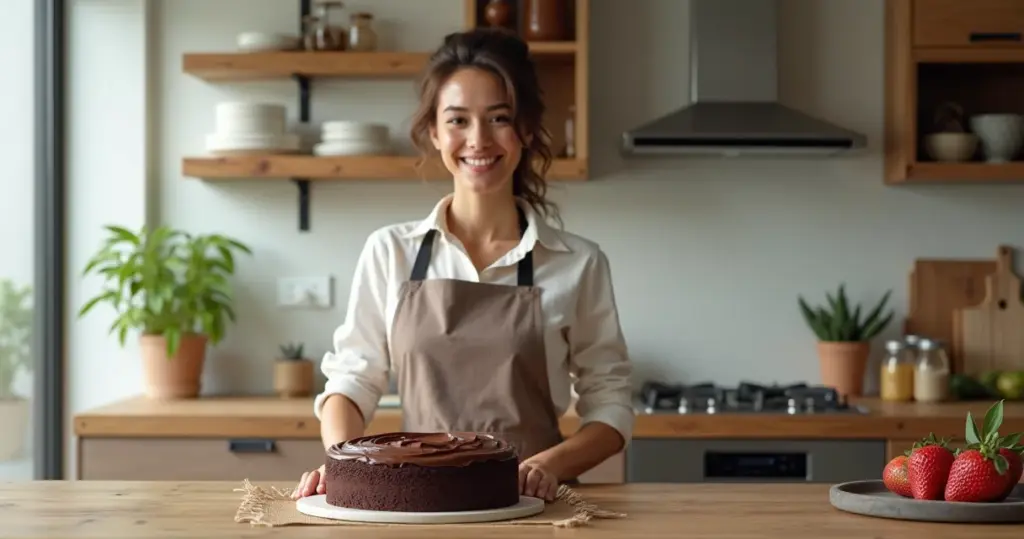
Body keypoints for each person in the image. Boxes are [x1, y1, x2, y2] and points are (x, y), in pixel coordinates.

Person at [292, 28, 634, 503]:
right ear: (433, 131)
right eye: (457, 120)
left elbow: (611, 404)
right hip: (416, 502)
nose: (478, 140)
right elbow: (354, 380)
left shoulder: (578, 263)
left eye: (499, 118)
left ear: (527, 130)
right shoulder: (391, 251)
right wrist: (347, 464)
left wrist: (545, 467)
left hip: (534, 506)